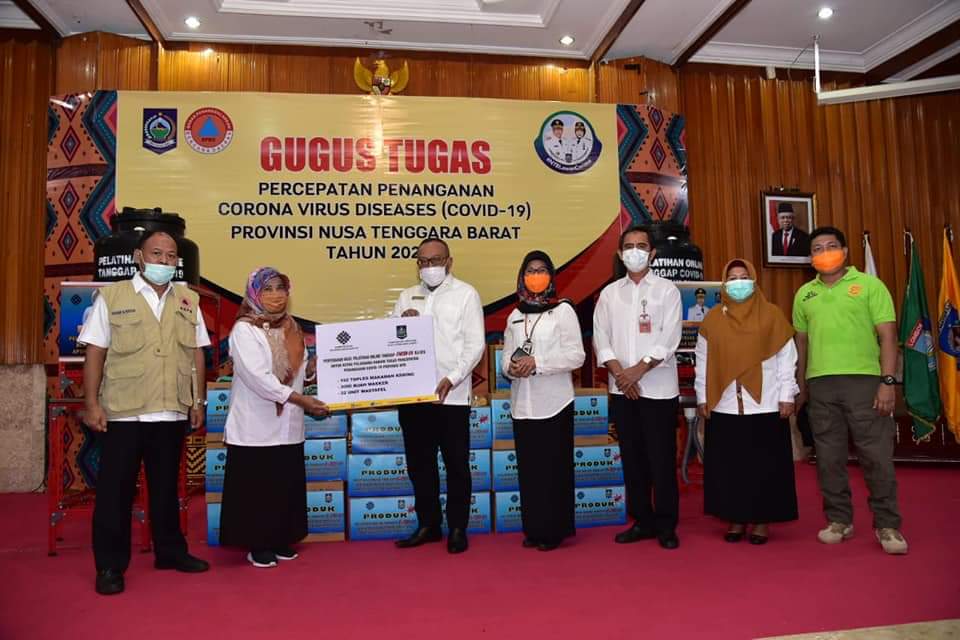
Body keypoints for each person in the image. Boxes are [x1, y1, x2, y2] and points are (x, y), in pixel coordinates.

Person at [79, 230, 210, 596]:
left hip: (171, 411)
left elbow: (197, 352)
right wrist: (92, 404)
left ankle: (170, 552)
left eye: (170, 256)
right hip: (125, 412)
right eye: (156, 254)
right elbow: (95, 352)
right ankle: (109, 565)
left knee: (166, 489)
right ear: (139, 257)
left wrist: (197, 401)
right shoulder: (112, 296)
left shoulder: (188, 299)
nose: (163, 261)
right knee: (115, 492)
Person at [794, 226, 907, 555]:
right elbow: (801, 344)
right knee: (828, 459)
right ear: (810, 257)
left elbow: (888, 336)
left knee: (876, 457)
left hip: (865, 383)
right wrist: (800, 387)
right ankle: (839, 520)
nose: (824, 252)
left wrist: (887, 382)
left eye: (831, 246)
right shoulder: (804, 294)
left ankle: (887, 525)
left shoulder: (870, 286)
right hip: (820, 386)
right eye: (817, 248)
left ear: (844, 251)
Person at [218, 267, 329, 568]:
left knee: (284, 484)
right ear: (254, 293)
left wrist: (313, 370)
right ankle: (258, 545)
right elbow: (258, 379)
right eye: (267, 289)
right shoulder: (244, 330)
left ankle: (281, 538)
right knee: (257, 487)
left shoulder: (292, 327)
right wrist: (300, 400)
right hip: (255, 423)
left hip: (288, 423)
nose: (276, 295)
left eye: (281, 288)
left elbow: (299, 372)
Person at [696, 259, 799, 544]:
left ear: (753, 281)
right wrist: (703, 396)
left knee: (764, 466)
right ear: (724, 283)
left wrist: (787, 395)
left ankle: (762, 521)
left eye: (744, 277)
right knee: (730, 466)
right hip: (725, 403)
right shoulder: (713, 319)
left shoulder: (772, 315)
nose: (738, 282)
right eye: (732, 278)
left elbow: (786, 359)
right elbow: (702, 361)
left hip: (765, 403)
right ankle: (736, 518)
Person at [392, 238, 485, 554]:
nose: (429, 266)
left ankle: (458, 527)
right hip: (414, 397)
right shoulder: (406, 296)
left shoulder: (466, 294)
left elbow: (475, 345)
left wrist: (453, 378)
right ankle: (428, 525)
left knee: (456, 464)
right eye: (423, 261)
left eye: (435, 260)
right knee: (420, 465)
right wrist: (400, 326)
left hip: (452, 396)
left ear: (449, 262)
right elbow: (391, 343)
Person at [593, 225, 683, 550]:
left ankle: (666, 524)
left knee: (661, 459)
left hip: (658, 389)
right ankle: (642, 520)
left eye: (641, 246)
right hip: (623, 390)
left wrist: (638, 371)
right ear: (620, 254)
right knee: (632, 459)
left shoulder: (667, 291)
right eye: (629, 246)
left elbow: (669, 338)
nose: (635, 251)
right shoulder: (609, 294)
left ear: (652, 253)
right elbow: (601, 338)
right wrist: (622, 375)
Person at [502, 251, 585, 551]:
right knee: (530, 471)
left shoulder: (563, 311)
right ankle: (534, 528)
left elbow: (577, 355)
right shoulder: (514, 315)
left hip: (554, 403)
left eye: (542, 270)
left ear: (551, 275)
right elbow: (505, 358)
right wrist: (511, 368)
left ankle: (554, 531)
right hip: (522, 405)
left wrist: (538, 363)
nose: (535, 276)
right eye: (530, 270)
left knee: (554, 470)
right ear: (521, 276)